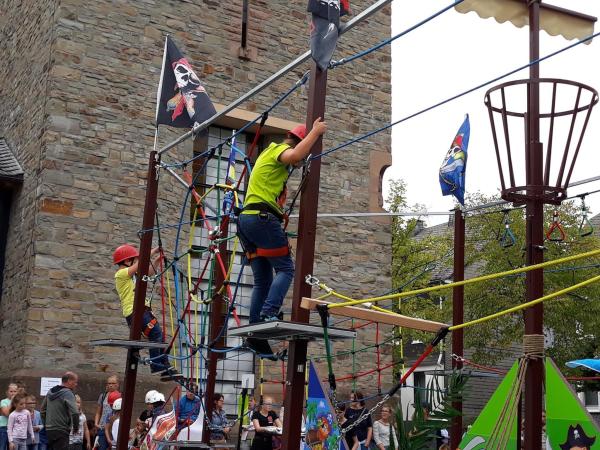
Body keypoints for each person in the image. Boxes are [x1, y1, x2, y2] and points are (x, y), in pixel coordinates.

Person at [238, 118, 328, 324]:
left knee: (263, 280)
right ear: (296, 141)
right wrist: (315, 132)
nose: (298, 163)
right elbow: (296, 154)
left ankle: (254, 329)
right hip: (261, 218)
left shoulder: (267, 159)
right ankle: (268, 312)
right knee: (286, 269)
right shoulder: (277, 150)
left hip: (247, 221)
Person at [113, 245, 173, 375]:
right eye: (133, 259)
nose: (136, 261)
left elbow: (150, 272)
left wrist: (157, 260)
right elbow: (142, 262)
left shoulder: (133, 275)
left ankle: (164, 365)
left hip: (142, 311)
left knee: (159, 336)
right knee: (156, 334)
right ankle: (156, 366)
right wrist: (154, 251)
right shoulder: (121, 274)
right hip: (135, 311)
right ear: (127, 261)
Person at [40, 372, 79, 450]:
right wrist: (75, 428)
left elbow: (42, 410)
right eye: (75, 382)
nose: (76, 384)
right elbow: (75, 412)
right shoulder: (68, 393)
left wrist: (46, 424)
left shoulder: (50, 391)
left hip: (50, 430)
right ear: (69, 381)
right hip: (62, 429)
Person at [93, 376, 119, 450]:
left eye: (113, 383)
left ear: (117, 384)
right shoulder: (103, 396)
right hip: (102, 427)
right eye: (109, 383)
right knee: (102, 447)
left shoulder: (120, 397)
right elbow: (98, 412)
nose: (110, 385)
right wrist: (96, 423)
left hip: (114, 428)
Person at [1, 384, 19, 450]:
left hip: (15, 429)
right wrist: (12, 401)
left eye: (15, 391)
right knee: (2, 447)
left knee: (12, 447)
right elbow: (6, 413)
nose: (13, 393)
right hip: (4, 427)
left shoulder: (19, 402)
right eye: (11, 391)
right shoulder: (4, 401)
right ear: (7, 392)